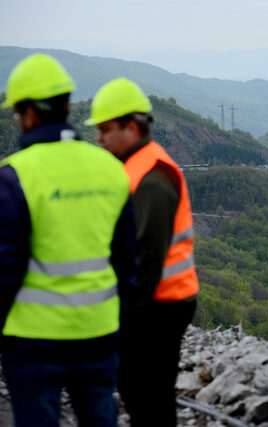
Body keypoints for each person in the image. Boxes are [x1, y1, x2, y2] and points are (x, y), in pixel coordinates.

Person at [0, 54, 137, 426]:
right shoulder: (110, 168)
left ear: (28, 114)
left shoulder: (15, 176)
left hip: (33, 338)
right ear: (65, 106)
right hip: (98, 332)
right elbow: (127, 262)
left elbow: (6, 268)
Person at [85, 77, 199, 426]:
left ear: (131, 128)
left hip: (159, 306)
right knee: (145, 393)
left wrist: (122, 320)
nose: (99, 138)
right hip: (159, 302)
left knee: (146, 395)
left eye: (105, 129)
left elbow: (146, 261)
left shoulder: (152, 178)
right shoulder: (137, 166)